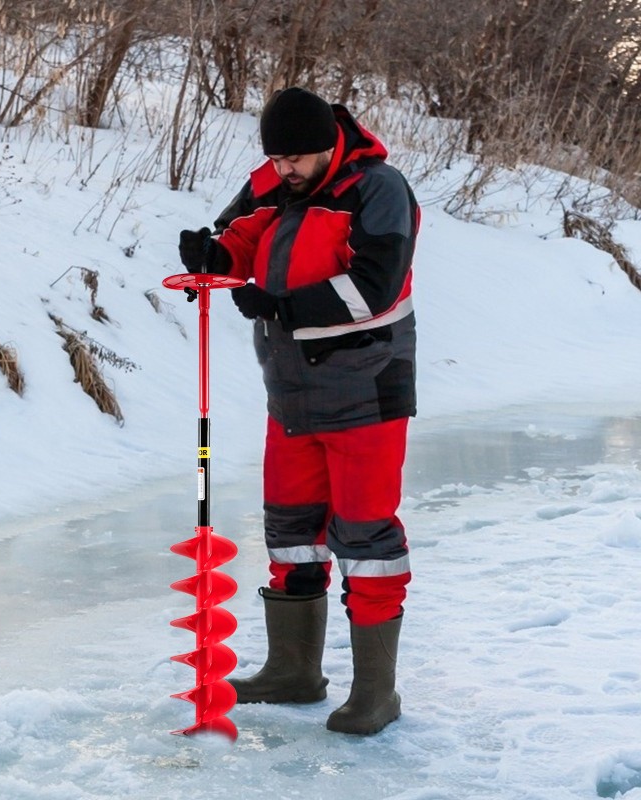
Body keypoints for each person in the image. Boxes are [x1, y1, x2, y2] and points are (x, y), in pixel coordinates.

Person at [178, 87, 420, 736]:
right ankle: (294, 669)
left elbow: (376, 284)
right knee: (289, 533)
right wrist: (213, 258)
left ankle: (375, 693)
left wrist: (284, 307)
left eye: (297, 158)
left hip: (366, 396)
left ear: (329, 146)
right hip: (292, 401)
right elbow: (244, 236)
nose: (284, 170)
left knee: (368, 543)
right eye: (276, 158)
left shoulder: (377, 189)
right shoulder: (283, 186)